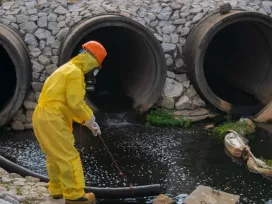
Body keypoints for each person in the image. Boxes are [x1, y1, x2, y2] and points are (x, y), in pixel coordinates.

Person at [32, 41, 107, 204]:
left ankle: (57, 189)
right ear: (92, 61)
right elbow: (75, 102)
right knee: (69, 156)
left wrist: (86, 121)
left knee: (54, 155)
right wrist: (90, 118)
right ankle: (74, 195)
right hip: (53, 117)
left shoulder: (65, 69)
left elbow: (64, 103)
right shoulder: (75, 73)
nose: (94, 71)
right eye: (96, 66)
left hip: (42, 115)